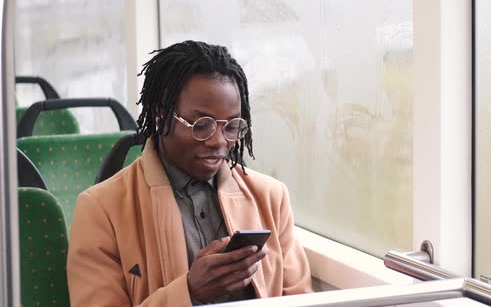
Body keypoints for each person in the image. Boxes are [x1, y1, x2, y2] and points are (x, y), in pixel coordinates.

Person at [67, 40, 313, 306]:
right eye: (201, 124)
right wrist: (189, 292)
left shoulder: (271, 198)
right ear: (160, 114)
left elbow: (301, 299)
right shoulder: (101, 210)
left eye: (231, 127)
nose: (219, 142)